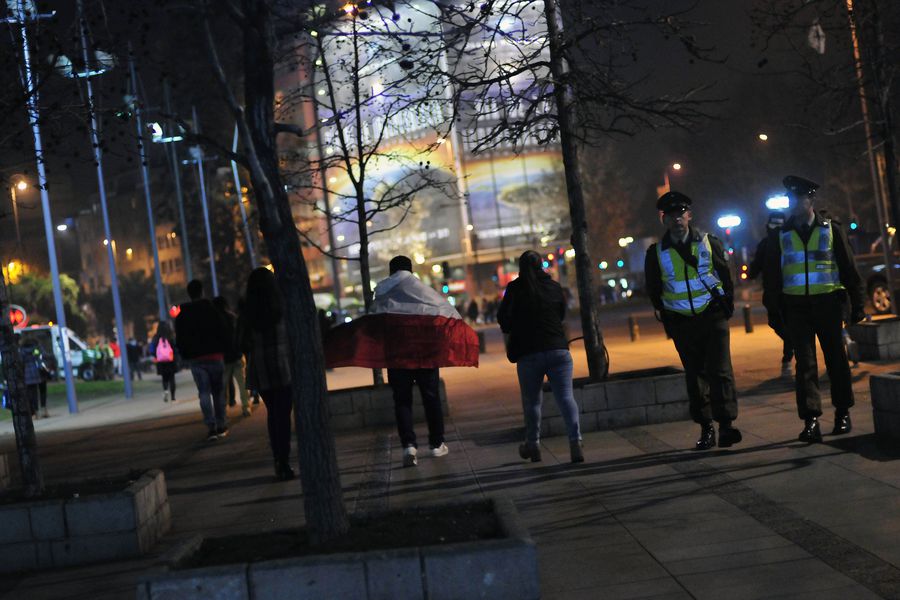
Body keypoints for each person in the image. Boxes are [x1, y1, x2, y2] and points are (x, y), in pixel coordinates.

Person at [763, 176, 866, 443]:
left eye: (798, 199)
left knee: (836, 361)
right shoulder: (781, 235)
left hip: (828, 303)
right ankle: (811, 420)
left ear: (810, 200)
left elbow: (848, 268)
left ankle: (843, 413)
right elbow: (773, 277)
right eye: (790, 199)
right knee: (805, 365)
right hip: (796, 307)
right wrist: (773, 310)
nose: (793, 204)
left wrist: (858, 303)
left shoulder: (831, 229)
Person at [644, 191, 742, 450]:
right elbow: (654, 289)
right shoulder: (656, 252)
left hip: (712, 315)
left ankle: (727, 426)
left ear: (689, 215)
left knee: (721, 371)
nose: (677, 219)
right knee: (695, 375)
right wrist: (668, 315)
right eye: (671, 214)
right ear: (663, 219)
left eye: (681, 213)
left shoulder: (709, 242)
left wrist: (726, 305)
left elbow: (725, 275)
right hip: (682, 322)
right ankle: (706, 427)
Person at [497, 250, 584, 463]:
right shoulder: (554, 287)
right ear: (541, 265)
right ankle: (575, 442)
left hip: (529, 354)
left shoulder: (515, 289)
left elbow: (503, 320)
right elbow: (561, 314)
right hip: (558, 350)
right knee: (565, 397)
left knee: (532, 402)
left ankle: (533, 445)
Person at [372, 255, 452, 467]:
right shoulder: (422, 288)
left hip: (397, 355)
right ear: (411, 269)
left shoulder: (382, 290)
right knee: (431, 398)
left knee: (402, 400)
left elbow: (375, 320)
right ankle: (436, 444)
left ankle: (409, 445)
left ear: (391, 271)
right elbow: (441, 312)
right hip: (425, 352)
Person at [241, 267, 294, 481]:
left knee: (273, 413)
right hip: (282, 365)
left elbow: (240, 342)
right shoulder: (282, 307)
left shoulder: (247, 312)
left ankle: (279, 459)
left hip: (260, 368)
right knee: (283, 414)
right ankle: (284, 459)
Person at [175, 279, 231, 441]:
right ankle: (222, 423)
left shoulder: (182, 315)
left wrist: (185, 355)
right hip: (215, 355)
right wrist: (224, 348)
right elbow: (222, 330)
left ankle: (211, 426)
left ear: (189, 294)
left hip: (196, 359)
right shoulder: (212, 309)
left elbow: (180, 339)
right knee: (218, 391)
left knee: (204, 392)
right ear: (202, 292)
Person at [748, 210, 794, 377]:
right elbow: (754, 269)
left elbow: (754, 269)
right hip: (782, 293)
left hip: (783, 292)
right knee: (783, 325)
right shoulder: (773, 244)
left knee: (784, 325)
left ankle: (787, 359)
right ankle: (790, 352)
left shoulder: (769, 244)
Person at [213, 296, 251, 417]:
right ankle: (246, 407)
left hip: (223, 358)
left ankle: (223, 410)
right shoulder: (233, 317)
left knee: (223, 386)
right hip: (237, 355)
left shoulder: (215, 320)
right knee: (242, 383)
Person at [150, 322, 178, 403]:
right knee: (172, 378)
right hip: (171, 360)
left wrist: (156, 356)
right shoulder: (171, 336)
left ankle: (165, 390)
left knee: (164, 378)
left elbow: (152, 349)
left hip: (161, 361)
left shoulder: (156, 337)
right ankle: (173, 398)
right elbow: (176, 348)